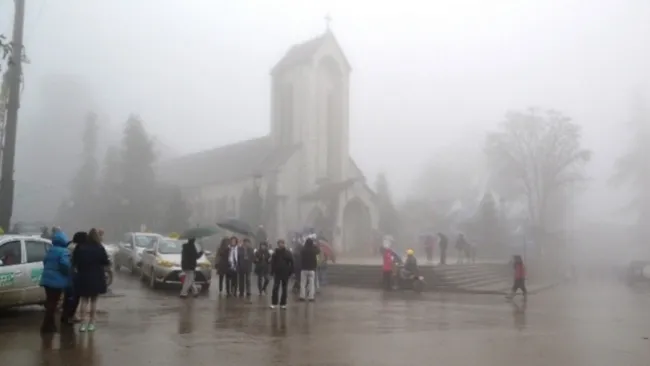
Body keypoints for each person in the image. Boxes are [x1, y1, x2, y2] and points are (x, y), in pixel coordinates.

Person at [72, 228, 110, 332]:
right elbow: (106, 262)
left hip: (83, 276)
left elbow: (74, 261)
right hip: (96, 277)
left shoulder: (80, 247)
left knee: (84, 300)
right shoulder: (99, 248)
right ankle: (91, 323)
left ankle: (83, 324)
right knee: (94, 301)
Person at [39, 230, 71, 333]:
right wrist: (68, 273)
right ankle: (45, 326)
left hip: (46, 279)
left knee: (50, 302)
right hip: (57, 281)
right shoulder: (64, 251)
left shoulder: (51, 250)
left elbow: (45, 261)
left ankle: (51, 326)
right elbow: (65, 265)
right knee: (53, 304)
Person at [61, 231, 87, 325]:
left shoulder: (69, 245)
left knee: (68, 297)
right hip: (73, 275)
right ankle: (69, 316)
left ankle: (67, 316)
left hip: (68, 275)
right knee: (74, 297)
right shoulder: (76, 248)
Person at [270, 239, 293, 309]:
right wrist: (272, 272)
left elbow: (291, 263)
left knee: (284, 288)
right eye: (279, 243)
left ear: (284, 244)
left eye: (282, 243)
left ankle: (283, 303)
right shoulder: (275, 253)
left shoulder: (288, 253)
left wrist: (290, 272)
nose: (281, 245)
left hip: (285, 273)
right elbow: (272, 263)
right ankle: (274, 303)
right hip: (277, 273)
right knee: (275, 288)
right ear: (278, 244)